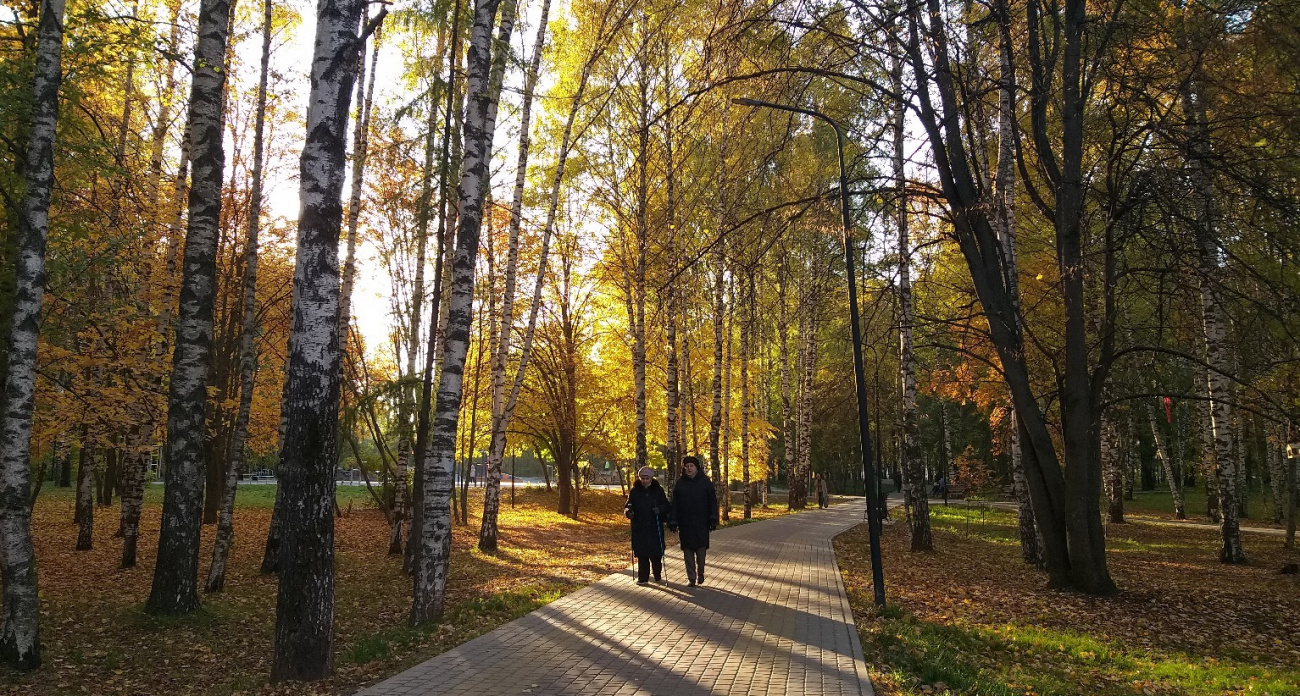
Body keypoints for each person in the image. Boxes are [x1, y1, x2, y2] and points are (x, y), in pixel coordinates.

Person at [668, 455, 717, 587]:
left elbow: (713, 502)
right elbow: (675, 504)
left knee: (701, 552)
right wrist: (673, 520)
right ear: (684, 468)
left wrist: (713, 518)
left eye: (691, 466)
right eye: (687, 466)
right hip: (686, 523)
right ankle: (691, 577)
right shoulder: (680, 483)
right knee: (687, 551)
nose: (689, 469)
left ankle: (700, 572)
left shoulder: (705, 482)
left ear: (696, 468)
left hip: (702, 523)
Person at [624, 466, 669, 585]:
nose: (644, 480)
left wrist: (659, 509)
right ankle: (642, 577)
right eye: (642, 478)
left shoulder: (658, 490)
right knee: (642, 553)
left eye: (647, 478)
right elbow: (628, 505)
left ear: (651, 478)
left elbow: (665, 505)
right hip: (640, 526)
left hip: (655, 526)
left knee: (656, 554)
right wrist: (629, 512)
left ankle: (657, 574)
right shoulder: (634, 491)